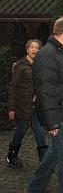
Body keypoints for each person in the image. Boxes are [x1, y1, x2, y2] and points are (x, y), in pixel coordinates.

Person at [25, 16, 63, 193]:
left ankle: (35, 187)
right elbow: (45, 92)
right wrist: (52, 122)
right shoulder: (47, 55)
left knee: (56, 151)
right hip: (60, 114)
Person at [6, 39, 48, 168]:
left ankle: (44, 161)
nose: (34, 50)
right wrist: (11, 108)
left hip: (37, 106)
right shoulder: (20, 66)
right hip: (23, 105)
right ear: (27, 49)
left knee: (40, 131)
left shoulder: (42, 65)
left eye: (37, 48)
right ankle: (12, 155)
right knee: (22, 130)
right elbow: (13, 87)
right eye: (32, 48)